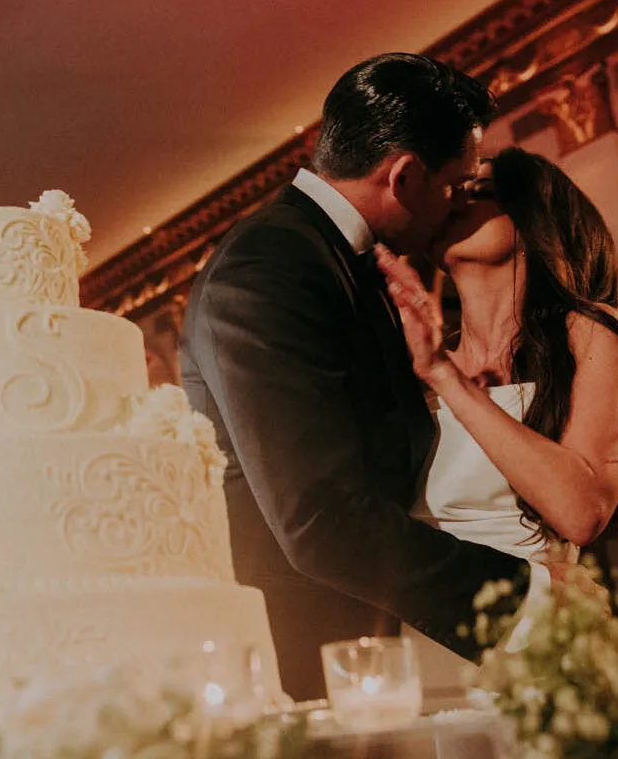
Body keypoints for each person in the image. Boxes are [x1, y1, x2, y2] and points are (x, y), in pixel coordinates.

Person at [180, 53, 532, 701]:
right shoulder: (268, 268)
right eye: (455, 186)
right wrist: (520, 601)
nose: (455, 206)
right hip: (300, 664)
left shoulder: (338, 259)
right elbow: (319, 519)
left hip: (363, 644)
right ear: (404, 176)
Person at [374, 147, 618, 578]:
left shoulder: (586, 331)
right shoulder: (417, 357)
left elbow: (581, 514)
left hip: (533, 618)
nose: (454, 202)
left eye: (478, 190)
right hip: (426, 607)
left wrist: (445, 375)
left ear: (534, 216)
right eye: (452, 191)